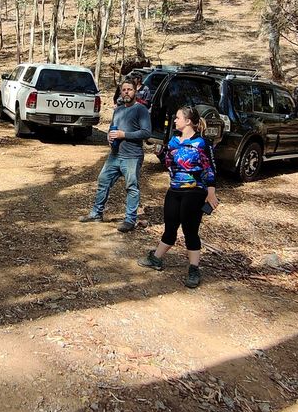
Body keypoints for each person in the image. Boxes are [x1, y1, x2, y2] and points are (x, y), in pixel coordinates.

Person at [138, 106, 218, 289]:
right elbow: (168, 164)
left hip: (194, 191)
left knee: (190, 230)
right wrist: (161, 154)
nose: (175, 120)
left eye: (178, 117)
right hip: (174, 190)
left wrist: (211, 191)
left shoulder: (202, 143)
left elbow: (210, 168)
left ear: (188, 121)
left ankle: (193, 269)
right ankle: (156, 259)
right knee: (170, 227)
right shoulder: (174, 141)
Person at [79, 79, 152, 232]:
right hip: (115, 154)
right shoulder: (118, 110)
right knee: (103, 180)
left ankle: (130, 220)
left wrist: (123, 134)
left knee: (131, 187)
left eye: (129, 89)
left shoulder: (141, 110)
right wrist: (109, 137)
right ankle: (96, 214)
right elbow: (112, 128)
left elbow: (146, 133)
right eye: (123, 89)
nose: (126, 92)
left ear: (135, 91)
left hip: (132, 156)